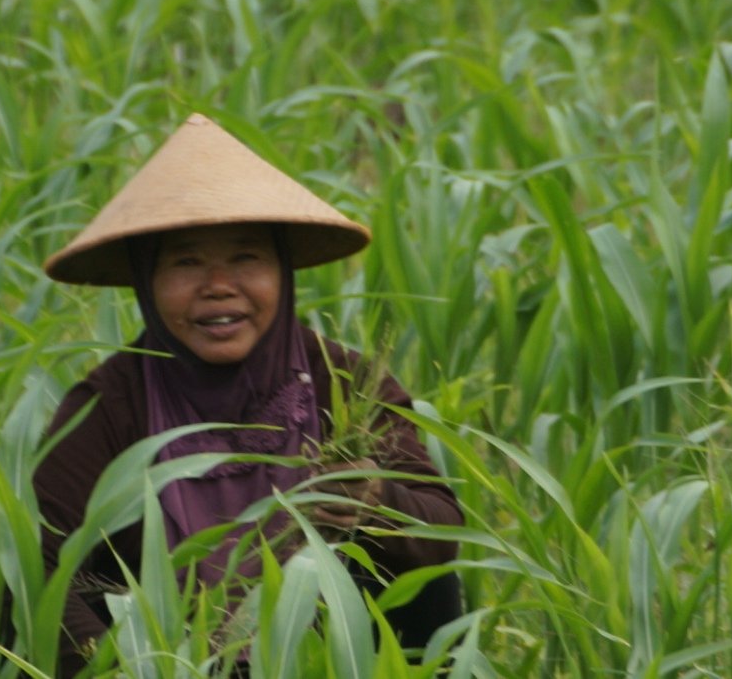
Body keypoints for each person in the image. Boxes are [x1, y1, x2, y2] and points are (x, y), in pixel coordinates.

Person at [34, 113, 463, 674]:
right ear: (146, 282)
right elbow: (39, 572)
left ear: (282, 273)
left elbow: (442, 530)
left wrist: (377, 500)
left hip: (327, 658)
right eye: (186, 262)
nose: (217, 286)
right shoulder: (109, 408)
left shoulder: (344, 383)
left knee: (429, 586)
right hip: (167, 661)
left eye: (245, 258)